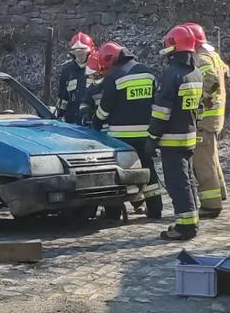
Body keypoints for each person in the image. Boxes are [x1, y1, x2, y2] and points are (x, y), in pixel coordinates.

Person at [91, 41, 162, 219]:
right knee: (149, 170)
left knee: (118, 174)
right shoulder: (147, 72)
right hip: (146, 133)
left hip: (121, 137)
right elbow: (158, 100)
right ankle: (155, 210)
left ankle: (113, 213)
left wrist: (95, 123)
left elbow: (105, 108)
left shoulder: (115, 76)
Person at [151, 25, 206, 240]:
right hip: (189, 136)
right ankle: (191, 221)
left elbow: (162, 111)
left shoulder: (171, 74)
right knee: (187, 179)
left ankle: (185, 227)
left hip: (172, 139)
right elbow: (198, 108)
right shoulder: (196, 73)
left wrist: (152, 136)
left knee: (177, 182)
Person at [185, 22, 230, 219]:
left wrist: (200, 99)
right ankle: (219, 194)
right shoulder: (213, 55)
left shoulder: (201, 58)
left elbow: (211, 80)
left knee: (203, 163)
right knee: (212, 158)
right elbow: (225, 72)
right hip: (214, 118)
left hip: (205, 120)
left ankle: (211, 205)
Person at [54, 32, 95, 124]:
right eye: (77, 53)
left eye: (83, 53)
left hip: (91, 121)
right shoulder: (68, 71)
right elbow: (63, 97)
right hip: (71, 121)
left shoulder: (98, 69)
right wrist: (59, 116)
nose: (80, 56)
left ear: (90, 51)